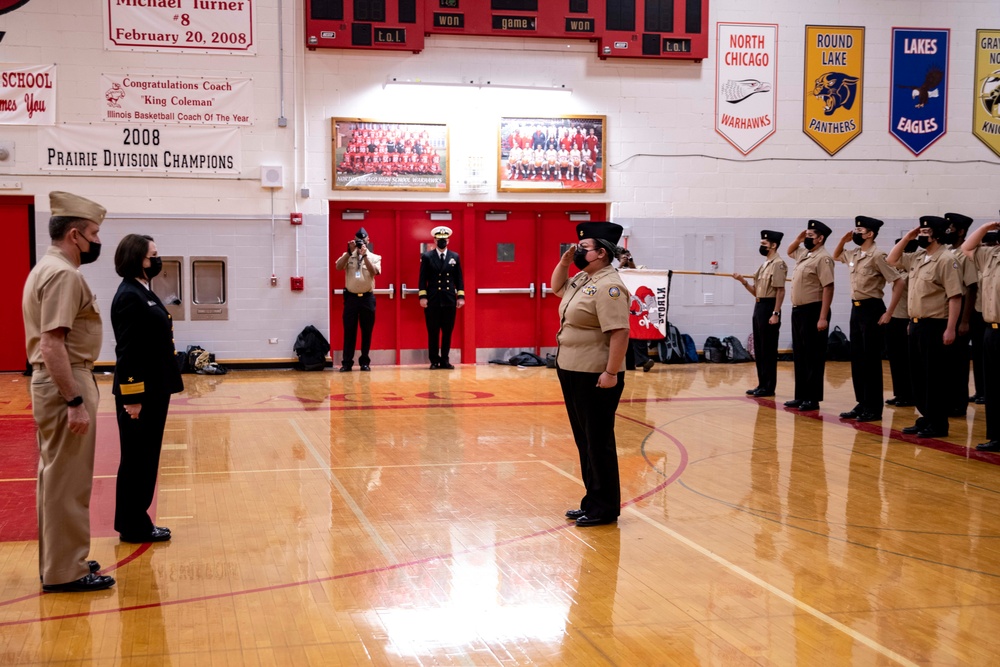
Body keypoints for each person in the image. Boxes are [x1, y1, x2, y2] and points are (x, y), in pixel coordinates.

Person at [21, 191, 115, 592]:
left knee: (55, 477)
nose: (97, 241)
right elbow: (52, 343)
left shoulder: (45, 267)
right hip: (67, 380)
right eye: (94, 233)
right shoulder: (63, 274)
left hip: (59, 380)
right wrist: (75, 401)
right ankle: (67, 571)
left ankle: (62, 559)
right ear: (75, 235)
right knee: (68, 482)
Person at [552, 221, 630, 527]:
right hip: (572, 369)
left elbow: (620, 332)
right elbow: (557, 287)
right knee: (584, 440)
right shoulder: (584, 278)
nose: (577, 250)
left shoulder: (610, 287)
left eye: (583, 247)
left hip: (596, 374)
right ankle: (592, 501)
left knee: (598, 441)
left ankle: (605, 507)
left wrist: (611, 372)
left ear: (601, 253)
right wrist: (564, 263)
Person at [111, 234, 184, 543]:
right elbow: (128, 351)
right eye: (153, 254)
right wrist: (133, 397)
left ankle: (136, 520)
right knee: (137, 458)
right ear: (138, 259)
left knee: (146, 457)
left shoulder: (143, 291)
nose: (157, 259)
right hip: (140, 394)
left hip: (155, 388)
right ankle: (133, 525)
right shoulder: (130, 295)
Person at [887, 216, 964, 439]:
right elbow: (892, 260)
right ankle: (926, 417)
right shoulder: (919, 257)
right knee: (918, 376)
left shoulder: (946, 259)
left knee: (935, 377)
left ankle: (938, 424)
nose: (921, 235)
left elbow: (955, 297)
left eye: (925, 232)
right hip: (917, 325)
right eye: (920, 231)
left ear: (937, 235)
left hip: (937, 325)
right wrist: (908, 237)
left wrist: (951, 329)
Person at [832, 216, 900, 422]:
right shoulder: (854, 253)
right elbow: (836, 256)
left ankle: (873, 408)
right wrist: (843, 240)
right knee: (858, 359)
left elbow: (898, 282)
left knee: (870, 361)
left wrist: (889, 312)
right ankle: (862, 403)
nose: (855, 232)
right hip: (857, 309)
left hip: (872, 309)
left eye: (859, 230)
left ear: (870, 234)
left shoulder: (878, 255)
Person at [784, 220, 835, 412]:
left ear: (821, 239)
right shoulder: (806, 254)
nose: (807, 239)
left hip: (814, 310)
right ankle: (801, 395)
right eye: (807, 235)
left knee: (813, 356)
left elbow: (828, 287)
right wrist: (799, 237)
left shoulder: (823, 258)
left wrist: (823, 317)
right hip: (798, 311)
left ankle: (812, 398)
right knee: (800, 355)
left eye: (811, 236)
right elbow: (789, 251)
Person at [734, 230, 787, 397]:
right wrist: (743, 282)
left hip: (770, 307)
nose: (761, 246)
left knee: (768, 348)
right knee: (760, 348)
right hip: (759, 306)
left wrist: (776, 312)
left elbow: (780, 291)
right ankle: (762, 384)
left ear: (773, 245)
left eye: (764, 244)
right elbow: (757, 292)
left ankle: (769, 386)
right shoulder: (764, 264)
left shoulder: (778, 264)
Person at [962, 222, 1000, 451]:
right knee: (993, 388)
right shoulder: (990, 255)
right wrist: (987, 227)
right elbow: (967, 247)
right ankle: (996, 436)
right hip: (991, 330)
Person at [943, 212, 977, 417]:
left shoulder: (966, 253)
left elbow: (971, 288)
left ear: (961, 231)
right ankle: (948, 400)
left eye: (951, 228)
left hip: (961, 308)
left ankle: (958, 403)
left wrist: (965, 321)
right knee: (946, 361)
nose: (947, 231)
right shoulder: (947, 251)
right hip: (946, 311)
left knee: (958, 362)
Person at [334, 227, 381, 371]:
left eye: (363, 240)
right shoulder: (347, 255)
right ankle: (347, 363)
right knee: (349, 331)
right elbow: (338, 267)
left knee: (367, 331)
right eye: (358, 241)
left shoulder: (375, 257)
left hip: (367, 298)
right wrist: (349, 252)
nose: (360, 243)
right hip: (351, 299)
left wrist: (365, 255)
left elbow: (374, 272)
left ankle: (365, 362)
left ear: (368, 240)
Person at [418, 225, 465, 369]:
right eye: (439, 239)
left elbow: (459, 279)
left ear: (448, 241)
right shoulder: (427, 257)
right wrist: (422, 296)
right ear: (435, 240)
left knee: (447, 332)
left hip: (449, 300)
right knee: (433, 332)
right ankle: (434, 360)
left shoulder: (454, 257)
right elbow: (422, 278)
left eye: (444, 240)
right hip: (432, 300)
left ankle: (445, 359)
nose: (442, 242)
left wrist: (461, 296)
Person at [970, 230, 999, 404]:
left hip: (991, 317)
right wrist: (989, 226)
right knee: (981, 359)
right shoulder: (988, 260)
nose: (986, 249)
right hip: (984, 318)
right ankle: (982, 391)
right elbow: (969, 246)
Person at [884, 238, 915, 408]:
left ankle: (909, 394)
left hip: (906, 318)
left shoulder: (911, 273)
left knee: (906, 360)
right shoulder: (898, 272)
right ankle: (900, 393)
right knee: (895, 359)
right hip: (895, 318)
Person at [617, 248, 655, 372]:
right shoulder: (616, 270)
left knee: (639, 336)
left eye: (628, 256)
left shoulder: (640, 268)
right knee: (626, 337)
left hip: (638, 309)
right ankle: (629, 364)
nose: (626, 258)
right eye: (624, 257)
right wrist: (621, 265)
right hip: (622, 307)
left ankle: (644, 361)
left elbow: (641, 277)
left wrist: (631, 264)